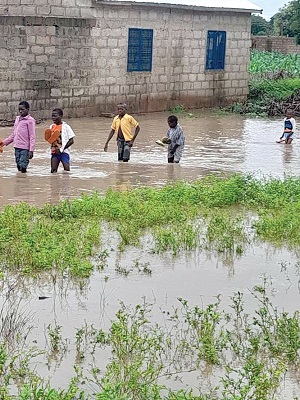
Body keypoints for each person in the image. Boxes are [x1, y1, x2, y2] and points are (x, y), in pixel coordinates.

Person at [0, 101, 36, 173]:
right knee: (18, 166)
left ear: (28, 109)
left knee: (23, 166)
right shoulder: (17, 119)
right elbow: (14, 135)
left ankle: (24, 180)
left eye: (22, 109)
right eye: (19, 109)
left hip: (25, 148)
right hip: (17, 147)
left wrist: (31, 150)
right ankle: (21, 180)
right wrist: (3, 143)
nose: (20, 111)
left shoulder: (30, 121)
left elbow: (32, 136)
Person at [49, 108, 75, 173]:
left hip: (64, 152)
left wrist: (61, 149)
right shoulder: (51, 127)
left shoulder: (66, 127)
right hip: (54, 152)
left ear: (61, 116)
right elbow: (50, 139)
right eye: (52, 116)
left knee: (66, 171)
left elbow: (71, 140)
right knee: (53, 171)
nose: (53, 118)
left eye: (55, 116)